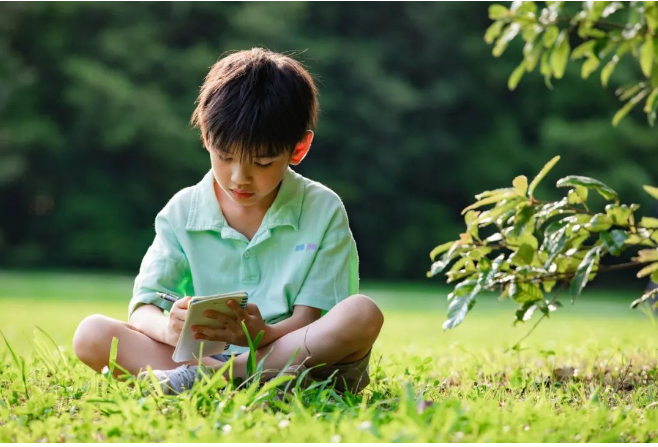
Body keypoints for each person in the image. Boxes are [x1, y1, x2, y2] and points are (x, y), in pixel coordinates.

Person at [72, 48, 384, 395]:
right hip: (203, 360)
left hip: (297, 357)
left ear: (298, 148)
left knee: (362, 313)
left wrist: (262, 335)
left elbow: (313, 319)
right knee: (92, 333)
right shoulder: (182, 212)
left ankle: (219, 381)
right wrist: (170, 330)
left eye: (262, 163)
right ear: (206, 138)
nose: (240, 178)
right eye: (225, 157)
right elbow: (143, 309)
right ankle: (230, 380)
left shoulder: (321, 208)